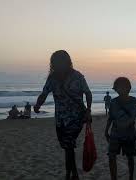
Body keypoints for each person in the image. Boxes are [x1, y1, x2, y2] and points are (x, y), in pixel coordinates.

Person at [33, 50, 92, 180]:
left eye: (61, 62)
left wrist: (88, 110)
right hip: (60, 120)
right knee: (67, 146)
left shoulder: (77, 76)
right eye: (57, 62)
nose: (59, 65)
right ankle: (72, 173)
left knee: (69, 145)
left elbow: (88, 93)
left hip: (76, 118)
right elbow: (44, 94)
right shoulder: (53, 78)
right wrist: (37, 105)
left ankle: (71, 174)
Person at [104, 77, 136, 180]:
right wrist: (106, 130)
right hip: (115, 132)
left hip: (129, 133)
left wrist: (125, 124)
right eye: (119, 88)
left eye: (123, 87)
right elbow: (110, 117)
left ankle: (131, 177)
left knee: (130, 157)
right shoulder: (113, 102)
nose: (121, 89)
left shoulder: (133, 100)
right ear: (116, 89)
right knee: (111, 156)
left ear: (128, 88)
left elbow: (135, 115)